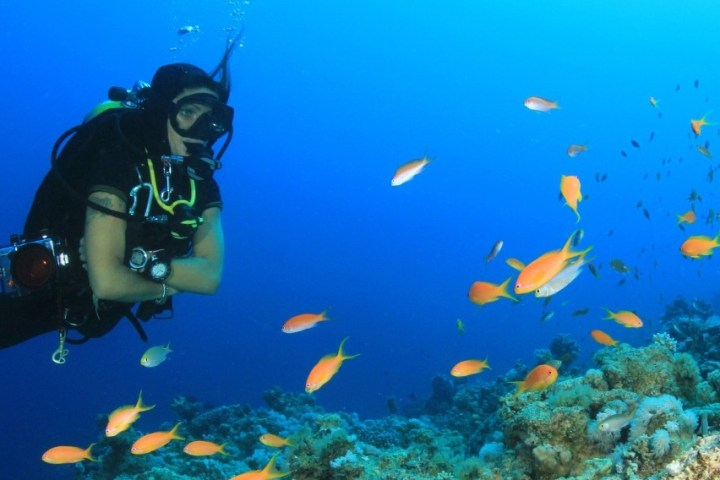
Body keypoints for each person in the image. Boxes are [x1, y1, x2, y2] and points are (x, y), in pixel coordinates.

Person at [0, 38, 240, 359]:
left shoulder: (201, 184)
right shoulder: (117, 162)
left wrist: (137, 266)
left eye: (211, 119)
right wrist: (174, 280)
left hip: (94, 314)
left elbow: (211, 278)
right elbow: (108, 283)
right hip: (48, 294)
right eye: (188, 112)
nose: (201, 129)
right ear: (160, 112)